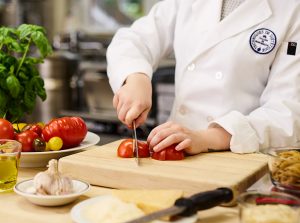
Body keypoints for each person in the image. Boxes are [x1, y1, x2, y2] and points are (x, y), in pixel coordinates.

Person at [106, 0, 300, 155]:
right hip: (174, 152)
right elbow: (134, 39)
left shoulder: (293, 10)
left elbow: (287, 113)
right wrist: (135, 78)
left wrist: (208, 138)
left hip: (242, 158)